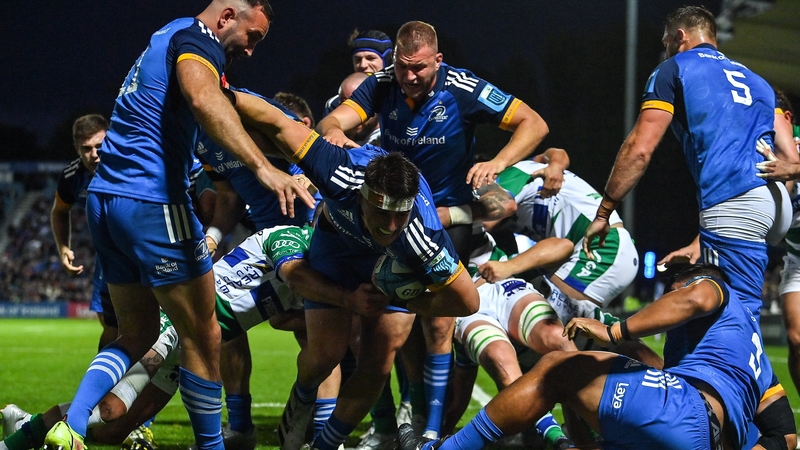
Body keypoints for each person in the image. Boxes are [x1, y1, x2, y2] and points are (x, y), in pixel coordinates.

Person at [41, 2, 316, 450]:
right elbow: (204, 99)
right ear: (227, 16)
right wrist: (264, 169)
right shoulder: (197, 43)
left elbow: (227, 101)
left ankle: (67, 427)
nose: (251, 51)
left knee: (137, 335)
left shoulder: (169, 32)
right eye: (254, 37)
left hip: (106, 203)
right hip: (153, 201)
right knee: (205, 334)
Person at [318, 20, 551, 437]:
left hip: (441, 220)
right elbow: (331, 124)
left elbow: (534, 123)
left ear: (438, 61)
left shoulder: (463, 88)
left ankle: (430, 432)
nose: (409, 77)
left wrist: (498, 162)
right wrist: (340, 137)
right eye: (402, 67)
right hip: (393, 216)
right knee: (385, 330)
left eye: (419, 68)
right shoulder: (382, 84)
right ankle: (397, 420)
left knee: (438, 325)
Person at [229, 89, 480, 450]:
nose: (392, 225)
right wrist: (225, 93)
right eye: (382, 213)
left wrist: (408, 301)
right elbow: (278, 123)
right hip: (338, 247)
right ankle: (302, 397)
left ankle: (324, 446)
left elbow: (467, 302)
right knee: (325, 355)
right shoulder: (338, 171)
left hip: (393, 266)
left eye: (401, 215)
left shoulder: (422, 236)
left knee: (377, 365)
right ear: (361, 196)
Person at [400, 263, 778, 450]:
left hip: (687, 410)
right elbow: (785, 437)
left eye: (670, 291)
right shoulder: (753, 355)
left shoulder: (712, 288)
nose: (666, 300)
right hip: (702, 434)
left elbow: (695, 298)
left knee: (559, 367)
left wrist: (614, 331)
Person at [583, 5, 796, 319]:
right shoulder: (758, 82)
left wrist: (604, 212)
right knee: (710, 308)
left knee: (730, 318)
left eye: (667, 41)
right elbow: (791, 159)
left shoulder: (675, 69)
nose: (666, 48)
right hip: (776, 203)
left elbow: (639, 149)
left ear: (679, 36)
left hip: (734, 199)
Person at [480, 152, 639, 317]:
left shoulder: (511, 175)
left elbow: (483, 221)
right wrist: (556, 163)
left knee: (539, 315)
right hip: (603, 247)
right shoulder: (527, 170)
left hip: (603, 247)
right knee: (580, 332)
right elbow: (556, 153)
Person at [50, 114, 116, 349]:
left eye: (100, 145)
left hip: (145, 252)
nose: (95, 154)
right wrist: (63, 247)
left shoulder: (130, 166)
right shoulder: (72, 177)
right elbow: (59, 211)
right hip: (108, 256)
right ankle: (109, 384)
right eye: (87, 148)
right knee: (110, 326)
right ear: (77, 149)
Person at [323, 29, 394, 116]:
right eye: (357, 59)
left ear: (387, 61)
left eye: (370, 58)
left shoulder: (402, 99)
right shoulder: (335, 104)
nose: (363, 65)